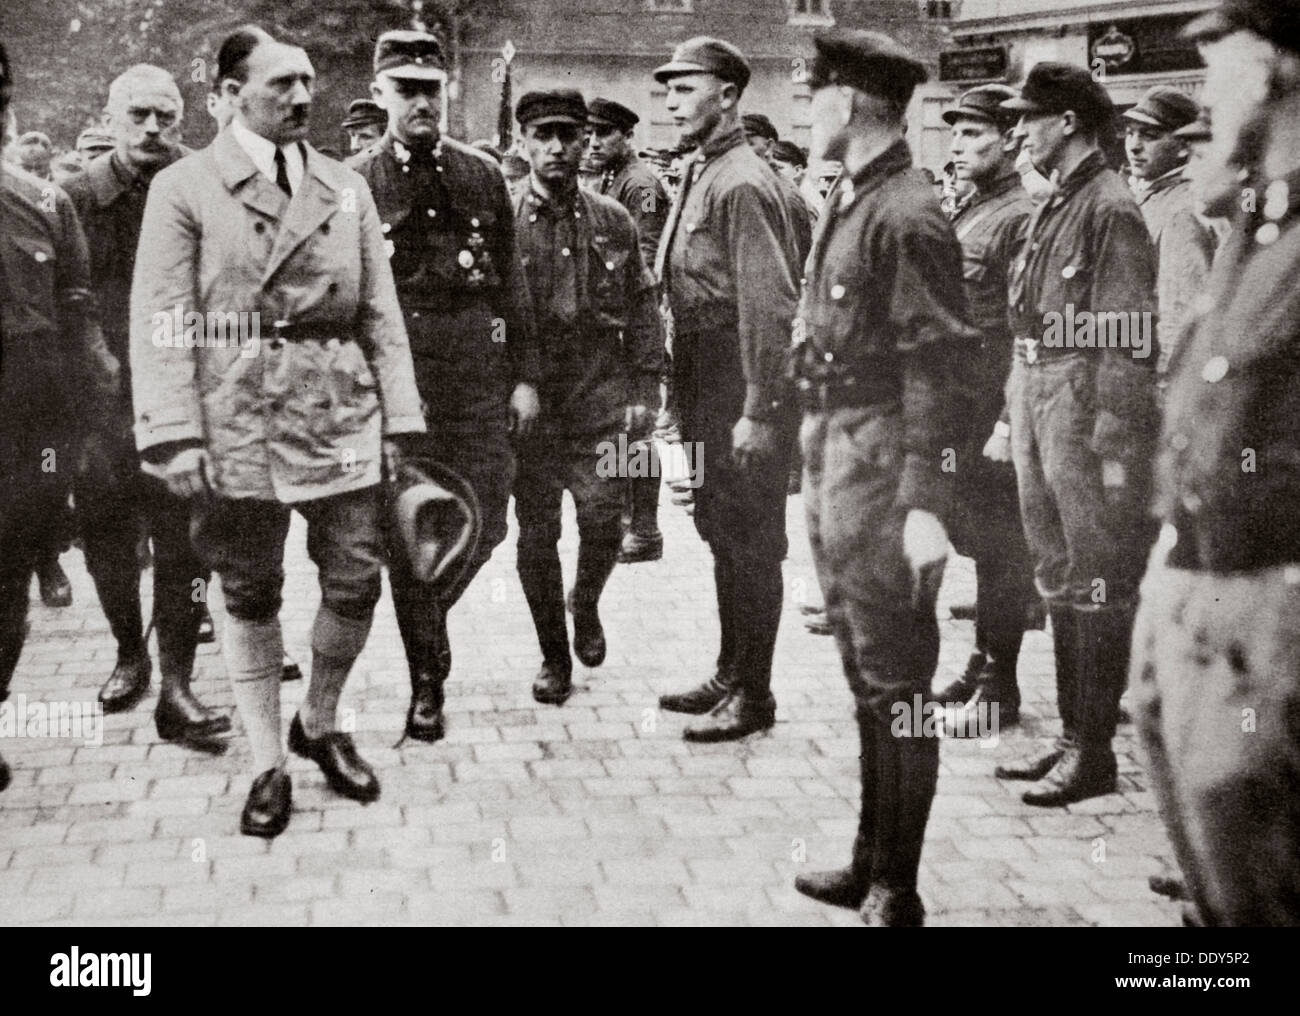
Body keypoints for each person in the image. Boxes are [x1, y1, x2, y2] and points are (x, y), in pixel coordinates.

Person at [130, 25, 425, 837]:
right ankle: (267, 760)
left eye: (305, 82)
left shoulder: (345, 187)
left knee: (358, 578)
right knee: (249, 587)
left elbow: (379, 313)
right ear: (227, 96)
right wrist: (170, 434)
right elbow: (162, 319)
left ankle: (321, 720)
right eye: (278, 84)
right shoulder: (187, 188)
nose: (301, 97)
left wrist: (399, 417)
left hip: (341, 411)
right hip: (235, 414)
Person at [789, 29, 974, 927]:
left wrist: (928, 506)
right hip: (837, 452)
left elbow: (940, 366)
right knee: (869, 675)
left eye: (813, 89)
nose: (805, 104)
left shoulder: (908, 211)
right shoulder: (856, 196)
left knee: (899, 684)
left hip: (881, 464)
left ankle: (899, 885)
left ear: (852, 102)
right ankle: (869, 860)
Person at [1131, 0, 1300, 926]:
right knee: (1215, 867)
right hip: (1201, 580)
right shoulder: (1257, 226)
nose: (1208, 99)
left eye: (1222, 70)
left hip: (1269, 610)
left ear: (1281, 74)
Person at [349, 30, 539, 741]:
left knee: (488, 516)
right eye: (406, 89)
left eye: (430, 88)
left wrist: (525, 377)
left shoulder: (480, 175)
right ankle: (428, 680)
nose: (421, 101)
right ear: (381, 95)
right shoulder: (355, 182)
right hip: (399, 382)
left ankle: (430, 617)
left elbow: (512, 285)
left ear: (446, 93)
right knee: (410, 533)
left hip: (477, 377)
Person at [992, 63, 1159, 806]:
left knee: (1096, 575)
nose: (1018, 130)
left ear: (1067, 123)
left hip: (1081, 396)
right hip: (1037, 386)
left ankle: (1093, 751)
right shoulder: (1059, 200)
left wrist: (1114, 436)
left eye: (1030, 118)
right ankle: (1069, 736)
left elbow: (1126, 332)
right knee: (1056, 567)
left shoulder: (1109, 206)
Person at [62, 64, 231, 744]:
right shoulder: (72, 197)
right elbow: (61, 302)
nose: (153, 128)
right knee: (106, 532)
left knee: (186, 537)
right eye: (138, 115)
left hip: (186, 394)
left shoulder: (205, 184)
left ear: (182, 120)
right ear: (110, 117)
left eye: (165, 115)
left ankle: (178, 683)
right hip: (104, 399)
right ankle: (130, 650)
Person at [652, 37, 801, 742]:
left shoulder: (741, 179)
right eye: (669, 88)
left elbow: (769, 306)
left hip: (737, 372)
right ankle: (731, 669)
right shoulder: (708, 169)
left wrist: (759, 409)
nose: (673, 98)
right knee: (719, 528)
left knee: (750, 537)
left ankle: (757, 693)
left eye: (687, 87)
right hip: (704, 367)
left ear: (730, 95)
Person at [512, 89, 663, 703]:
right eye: (543, 136)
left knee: (604, 521)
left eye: (568, 136)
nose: (556, 147)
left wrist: (645, 383)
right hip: (533, 407)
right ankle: (554, 656)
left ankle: (587, 601)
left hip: (600, 398)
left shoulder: (613, 218)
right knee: (536, 535)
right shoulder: (503, 218)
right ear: (524, 143)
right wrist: (510, 384)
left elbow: (643, 304)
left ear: (584, 143)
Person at [1, 38, 123, 794]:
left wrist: (85, 433)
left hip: (24, 414)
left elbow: (80, 320)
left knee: (6, 575)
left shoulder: (44, 203)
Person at [936, 84, 1039, 734]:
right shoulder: (972, 210)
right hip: (958, 405)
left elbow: (1024, 328)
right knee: (978, 543)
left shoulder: (1018, 216)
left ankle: (1001, 686)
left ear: (1009, 140)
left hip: (991, 408)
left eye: (975, 134)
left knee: (1003, 547)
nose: (958, 144)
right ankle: (981, 662)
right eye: (955, 133)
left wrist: (1006, 420)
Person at [584, 96, 670, 565]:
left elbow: (647, 259)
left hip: (634, 323)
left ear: (626, 136)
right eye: (591, 134)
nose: (595, 142)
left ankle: (646, 528)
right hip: (612, 324)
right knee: (619, 429)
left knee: (638, 431)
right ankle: (625, 521)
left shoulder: (641, 184)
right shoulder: (610, 179)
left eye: (605, 134)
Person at [1123, 86, 1218, 374]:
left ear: (1181, 147)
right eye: (1130, 132)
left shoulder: (1180, 211)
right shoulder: (1154, 198)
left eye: (1149, 136)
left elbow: (1180, 314)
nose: (1134, 146)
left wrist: (1166, 381)